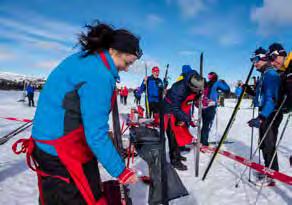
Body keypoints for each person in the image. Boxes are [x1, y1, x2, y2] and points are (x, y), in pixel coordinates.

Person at [13, 21, 142, 204]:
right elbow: (95, 135)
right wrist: (121, 171)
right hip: (60, 149)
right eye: (127, 62)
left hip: (50, 143)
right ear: (114, 50)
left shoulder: (85, 59)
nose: (127, 68)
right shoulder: (99, 74)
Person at [247, 47, 282, 185]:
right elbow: (262, 95)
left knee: (268, 144)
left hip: (270, 113)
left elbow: (271, 99)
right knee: (263, 143)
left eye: (255, 60)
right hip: (265, 112)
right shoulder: (265, 74)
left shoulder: (271, 75)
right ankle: (268, 170)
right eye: (252, 60)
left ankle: (272, 176)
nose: (254, 64)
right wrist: (250, 91)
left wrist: (262, 117)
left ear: (263, 58)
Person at [163, 69, 204, 170]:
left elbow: (200, 90)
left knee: (180, 132)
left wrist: (198, 96)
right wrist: (188, 119)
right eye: (196, 90)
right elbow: (175, 108)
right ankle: (174, 160)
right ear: (191, 86)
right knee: (173, 135)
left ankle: (177, 154)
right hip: (169, 110)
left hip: (180, 108)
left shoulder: (198, 80)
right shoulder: (179, 89)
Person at [201, 72, 230, 146]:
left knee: (205, 124)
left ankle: (202, 139)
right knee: (207, 125)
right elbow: (227, 90)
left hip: (203, 106)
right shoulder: (217, 83)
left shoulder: (206, 83)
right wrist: (224, 82)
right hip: (211, 106)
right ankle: (204, 142)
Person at [267, 43, 292, 112]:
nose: (272, 63)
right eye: (269, 60)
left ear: (282, 54)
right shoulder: (279, 74)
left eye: (273, 57)